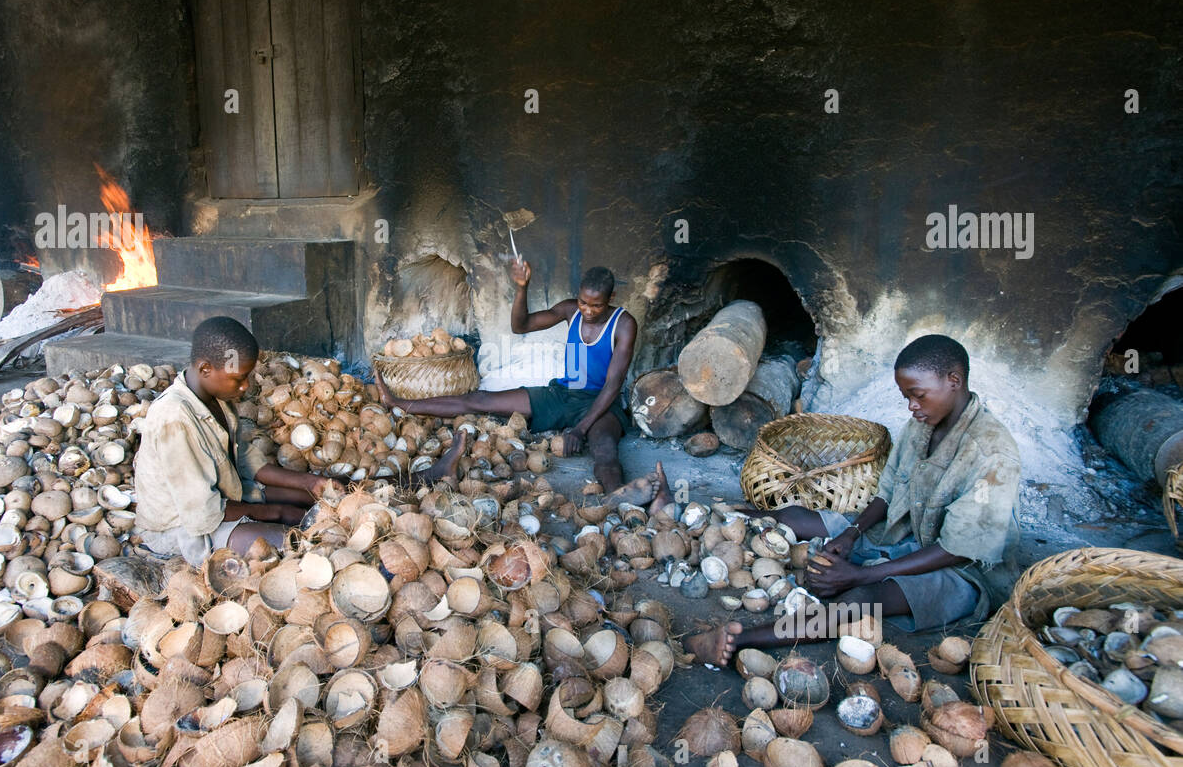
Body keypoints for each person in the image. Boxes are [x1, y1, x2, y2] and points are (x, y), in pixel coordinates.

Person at [685, 334, 1022, 667]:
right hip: (906, 534)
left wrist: (860, 576)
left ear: (954, 381)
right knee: (798, 518)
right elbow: (888, 492)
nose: (912, 407)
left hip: (960, 571)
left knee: (861, 600)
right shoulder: (922, 425)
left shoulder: (992, 454)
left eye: (918, 396)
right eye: (906, 397)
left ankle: (741, 639)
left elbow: (956, 548)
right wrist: (851, 534)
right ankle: (701, 515)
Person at [135, 316, 469, 564]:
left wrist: (313, 482)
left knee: (336, 492)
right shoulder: (174, 420)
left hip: (229, 496)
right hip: (184, 531)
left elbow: (248, 462)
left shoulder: (215, 397)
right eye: (239, 379)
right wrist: (275, 511)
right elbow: (204, 516)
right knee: (302, 544)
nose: (246, 388)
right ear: (205, 368)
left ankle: (424, 476)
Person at [375, 256, 672, 512]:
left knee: (604, 447)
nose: (588, 310)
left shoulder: (624, 324)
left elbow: (612, 384)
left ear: (611, 298)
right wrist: (522, 287)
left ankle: (618, 496)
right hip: (562, 394)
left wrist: (580, 429)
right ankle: (399, 402)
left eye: (596, 305)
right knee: (480, 400)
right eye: (583, 302)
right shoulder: (570, 310)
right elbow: (521, 325)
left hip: (601, 403)